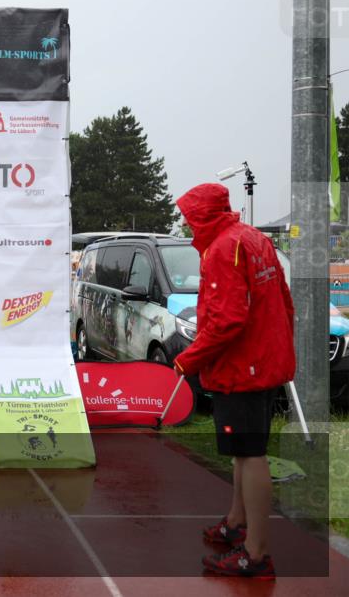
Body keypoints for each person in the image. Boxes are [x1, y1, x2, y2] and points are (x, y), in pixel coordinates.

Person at [173, 184, 294, 580]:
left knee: (251, 453)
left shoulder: (224, 249)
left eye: (190, 216)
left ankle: (256, 554)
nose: (187, 223)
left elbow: (226, 321)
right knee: (245, 449)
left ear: (204, 215)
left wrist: (188, 359)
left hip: (242, 367)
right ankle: (236, 522)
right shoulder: (254, 238)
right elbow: (283, 298)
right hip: (262, 361)